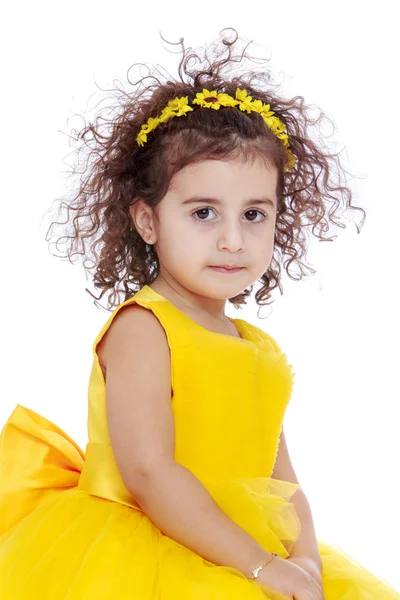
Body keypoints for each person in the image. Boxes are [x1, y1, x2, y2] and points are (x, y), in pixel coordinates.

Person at [0, 28, 398, 600]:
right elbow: (149, 472)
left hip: (242, 546)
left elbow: (281, 478)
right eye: (204, 212)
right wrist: (260, 567)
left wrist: (305, 560)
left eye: (255, 214)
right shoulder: (145, 327)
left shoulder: (254, 345)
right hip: (155, 551)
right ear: (147, 221)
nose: (233, 240)